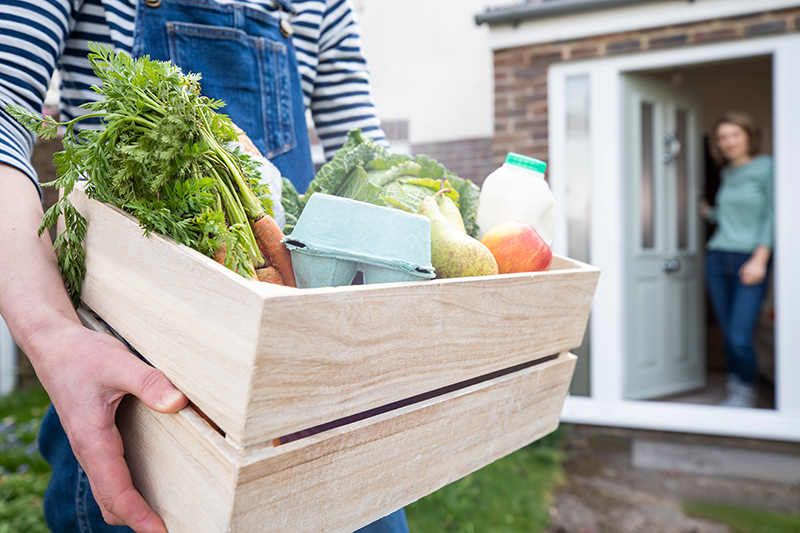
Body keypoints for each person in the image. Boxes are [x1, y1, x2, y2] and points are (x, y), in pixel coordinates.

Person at [0, 1, 408, 531]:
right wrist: (51, 336)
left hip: (310, 381)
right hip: (148, 398)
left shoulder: (323, 7)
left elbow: (366, 163)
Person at [700, 110, 774, 409]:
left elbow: (773, 213)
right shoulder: (728, 172)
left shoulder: (768, 167)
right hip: (718, 257)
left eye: (734, 135)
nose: (727, 142)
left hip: (749, 259)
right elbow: (729, 215)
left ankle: (746, 389)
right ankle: (737, 391)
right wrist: (705, 210)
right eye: (722, 138)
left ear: (748, 136)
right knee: (729, 331)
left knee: (740, 335)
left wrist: (760, 258)